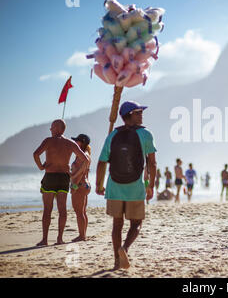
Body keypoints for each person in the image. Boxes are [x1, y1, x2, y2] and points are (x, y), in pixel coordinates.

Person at [95, 101, 157, 270]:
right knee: (136, 223)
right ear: (130, 115)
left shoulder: (113, 135)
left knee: (117, 225)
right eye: (138, 112)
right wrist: (151, 185)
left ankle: (117, 259)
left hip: (114, 186)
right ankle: (125, 248)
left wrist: (99, 185)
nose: (142, 114)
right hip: (135, 186)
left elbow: (101, 163)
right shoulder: (145, 134)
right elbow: (152, 163)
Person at [33, 119, 89, 246]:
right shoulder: (70, 143)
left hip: (50, 176)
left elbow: (36, 154)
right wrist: (74, 174)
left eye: (52, 127)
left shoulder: (48, 141)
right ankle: (59, 239)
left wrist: (41, 167)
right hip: (64, 177)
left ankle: (45, 239)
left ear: (58, 128)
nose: (50, 130)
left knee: (47, 209)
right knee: (62, 209)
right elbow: (85, 159)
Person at [70, 134, 92, 242]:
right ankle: (83, 234)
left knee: (79, 212)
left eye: (77, 141)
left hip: (80, 185)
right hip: (85, 185)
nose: (75, 143)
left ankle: (82, 236)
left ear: (82, 143)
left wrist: (74, 184)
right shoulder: (84, 154)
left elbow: (81, 172)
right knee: (82, 212)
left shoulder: (84, 155)